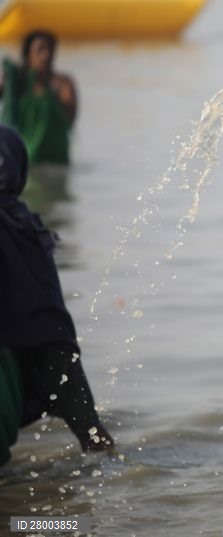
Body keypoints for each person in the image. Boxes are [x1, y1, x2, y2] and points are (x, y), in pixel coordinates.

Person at [0, 126, 111, 466]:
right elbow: (50, 332)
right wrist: (90, 430)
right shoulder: (25, 233)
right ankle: (83, 523)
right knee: (38, 522)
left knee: (24, 521)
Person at [1, 30, 76, 165]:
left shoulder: (63, 84)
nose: (46, 55)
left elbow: (70, 121)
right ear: (27, 54)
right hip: (24, 163)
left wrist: (53, 96)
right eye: (40, 49)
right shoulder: (17, 82)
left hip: (57, 164)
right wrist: (9, 81)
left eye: (50, 49)